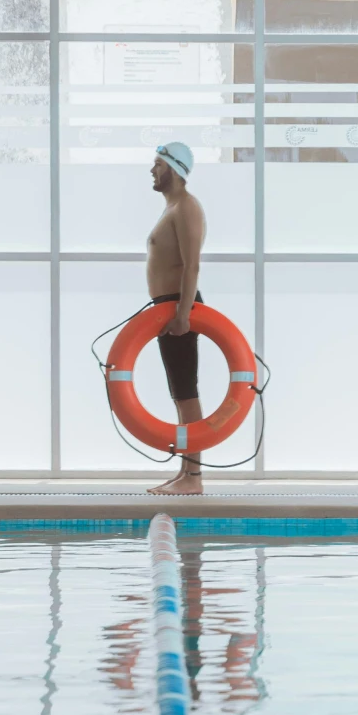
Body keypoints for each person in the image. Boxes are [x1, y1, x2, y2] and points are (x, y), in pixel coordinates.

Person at [146, 141, 207, 498]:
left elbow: (192, 264)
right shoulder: (171, 207)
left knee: (186, 393)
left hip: (178, 310)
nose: (151, 171)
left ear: (173, 168)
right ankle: (186, 470)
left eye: (156, 164)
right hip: (167, 310)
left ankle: (194, 477)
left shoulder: (187, 207)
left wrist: (183, 313)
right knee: (178, 393)